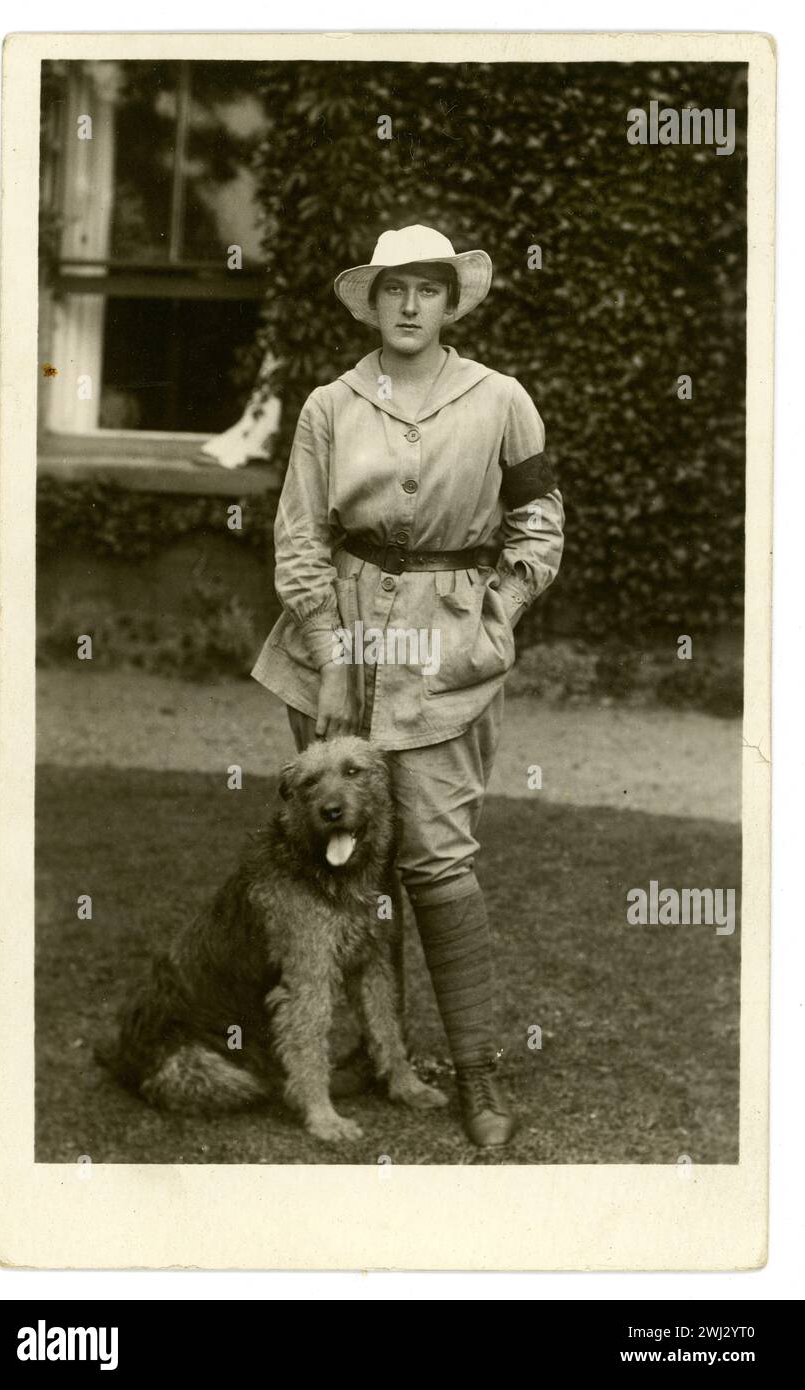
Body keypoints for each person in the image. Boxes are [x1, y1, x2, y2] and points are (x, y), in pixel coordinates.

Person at [251, 225, 565, 1146]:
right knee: (341, 855)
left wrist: (496, 609)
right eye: (395, 288)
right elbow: (301, 532)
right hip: (332, 642)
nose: (411, 304)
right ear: (374, 299)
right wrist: (328, 641)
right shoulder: (330, 404)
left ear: (451, 301)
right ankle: (382, 1056)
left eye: (429, 289)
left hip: (446, 649)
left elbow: (539, 525)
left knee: (433, 859)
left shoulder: (502, 400)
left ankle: (477, 1073)